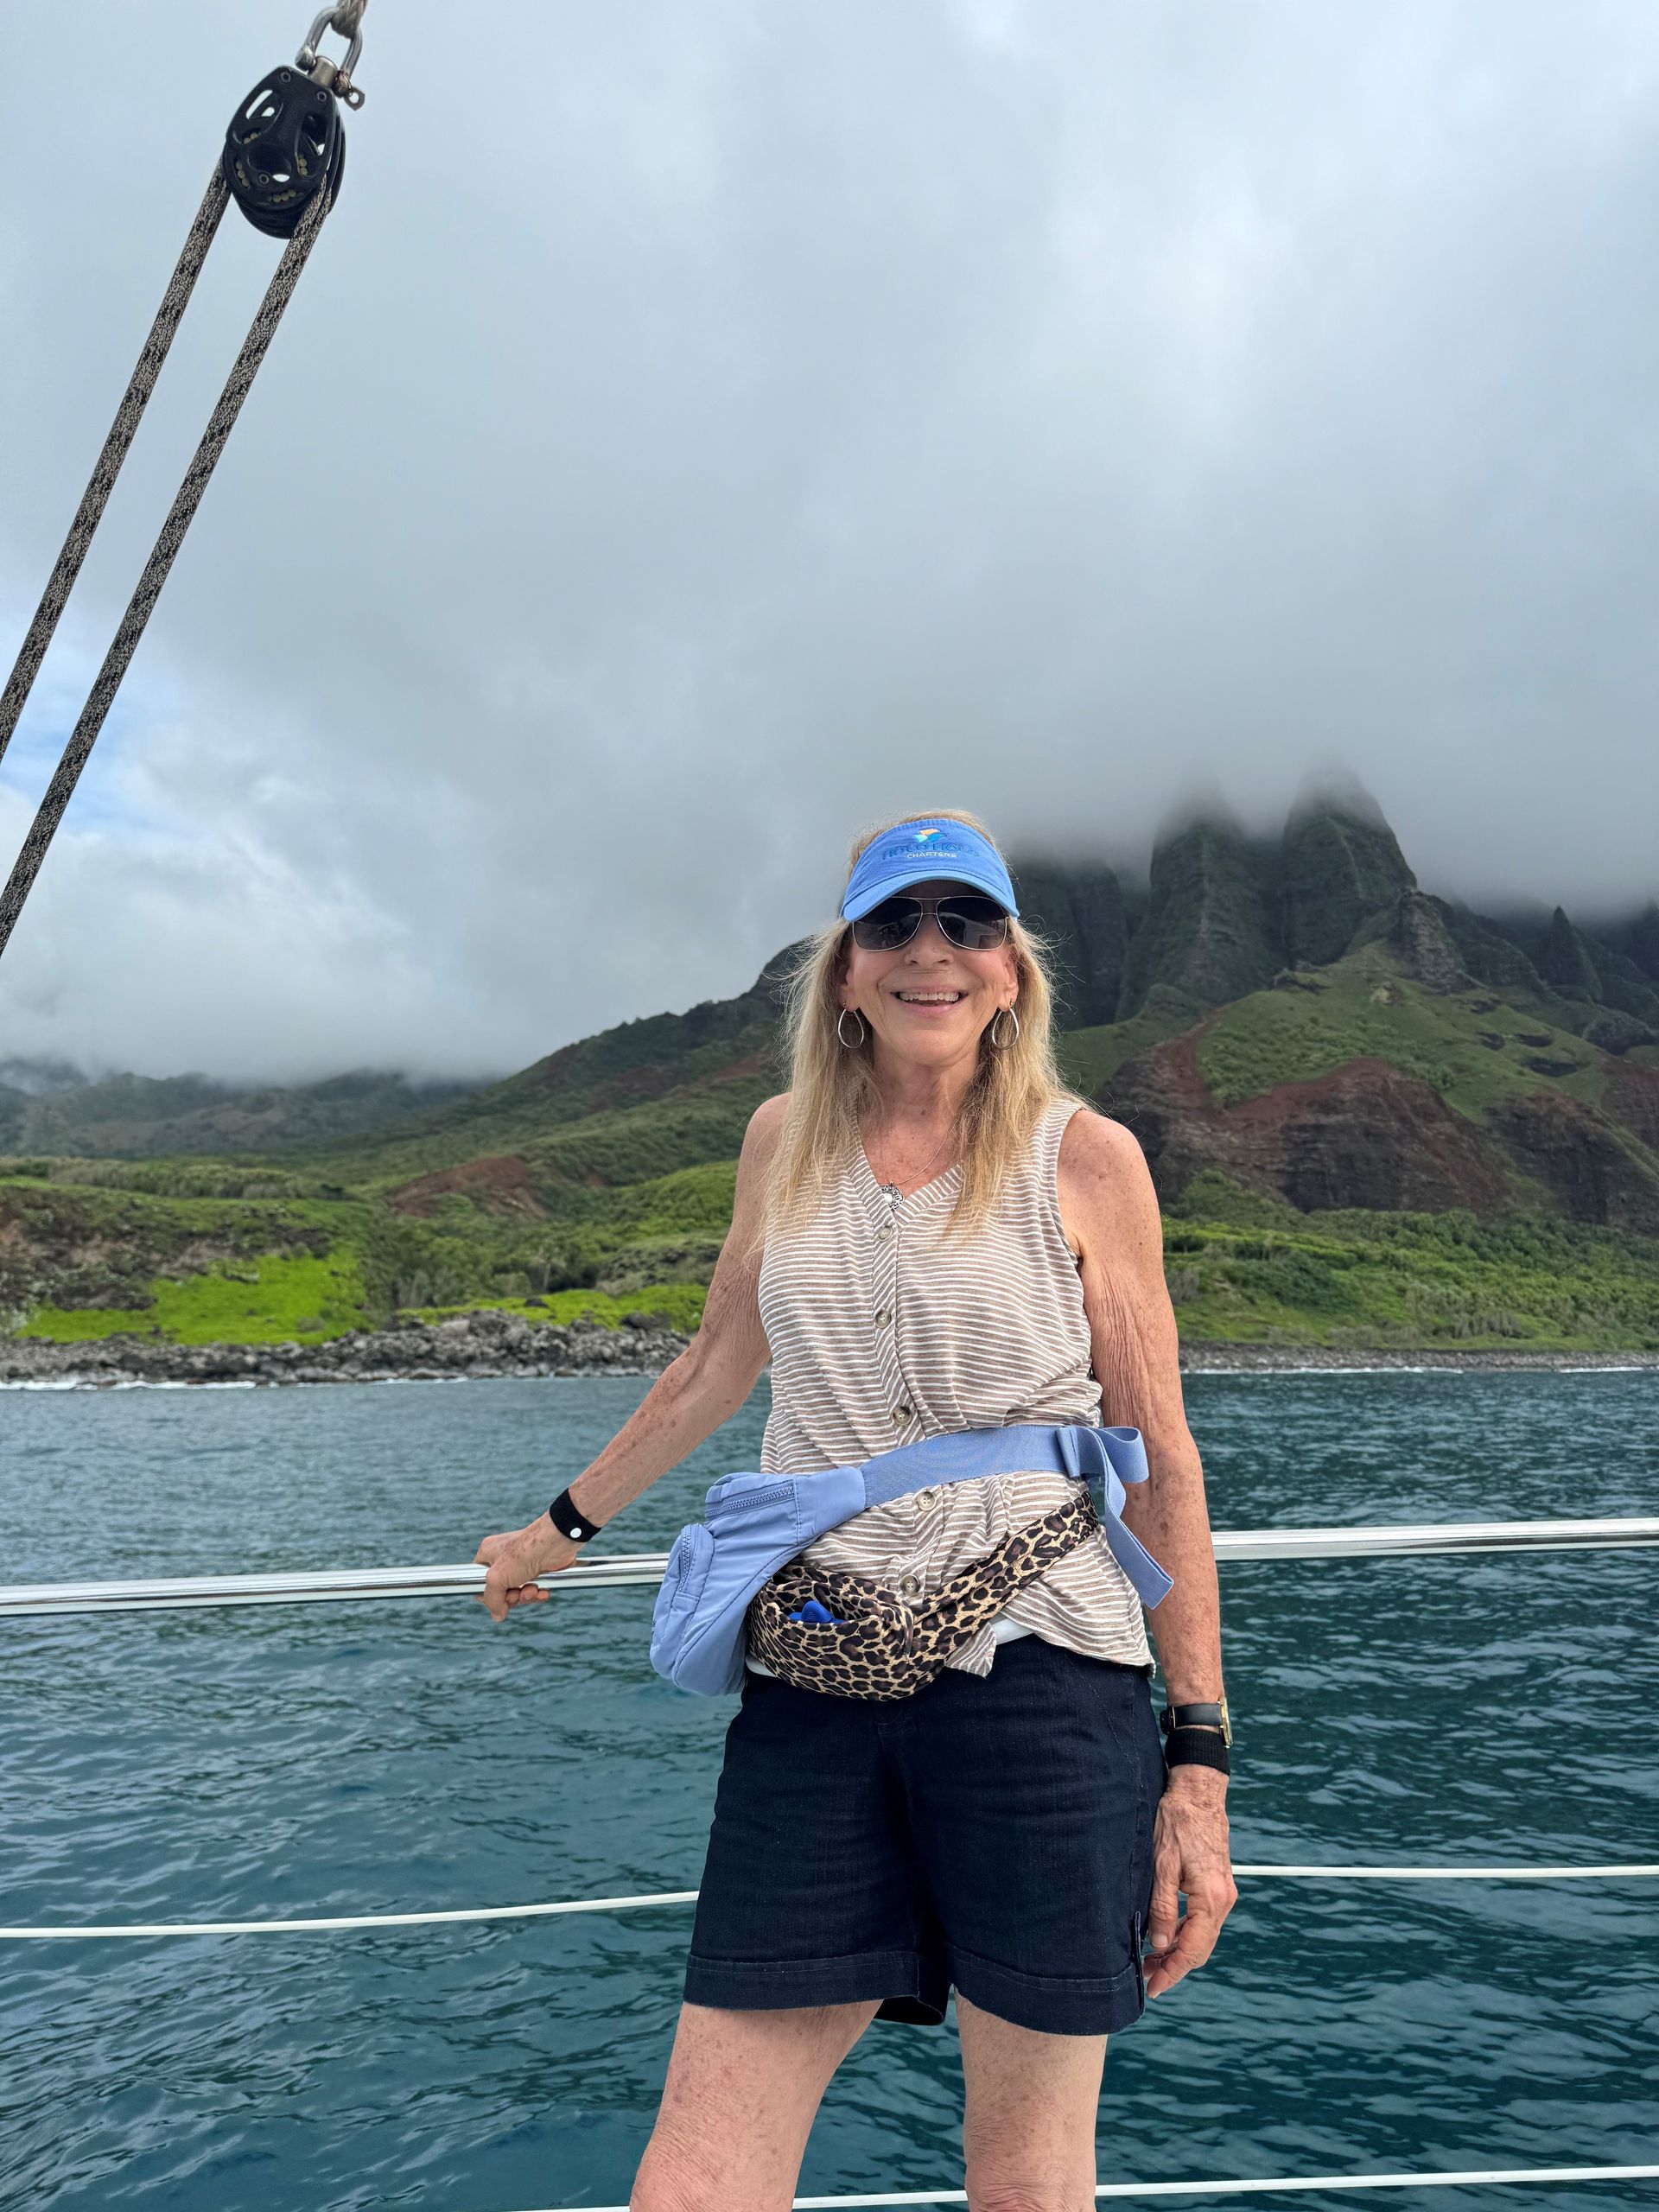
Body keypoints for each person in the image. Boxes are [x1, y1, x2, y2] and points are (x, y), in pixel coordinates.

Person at [474, 808, 1236, 2212]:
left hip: (1043, 1671)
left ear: (1011, 969)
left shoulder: (1087, 1156)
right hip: (816, 1667)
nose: (930, 951)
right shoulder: (783, 1142)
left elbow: (1161, 1456)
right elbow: (716, 1363)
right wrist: (554, 1533)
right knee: (692, 2175)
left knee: (1026, 2172)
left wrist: (1199, 1765)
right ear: (844, 969)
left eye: (967, 923)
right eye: (894, 924)